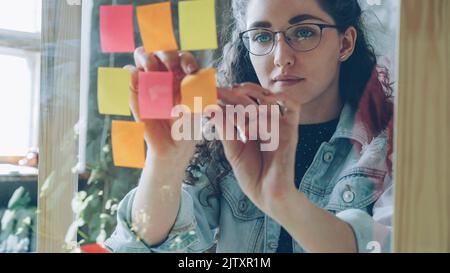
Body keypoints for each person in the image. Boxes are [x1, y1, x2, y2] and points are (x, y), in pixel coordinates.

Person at [105, 0, 395, 253]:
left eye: (304, 32)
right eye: (262, 36)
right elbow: (139, 247)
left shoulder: (392, 146)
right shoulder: (227, 137)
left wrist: (282, 200)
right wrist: (164, 164)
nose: (281, 57)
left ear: (345, 43)